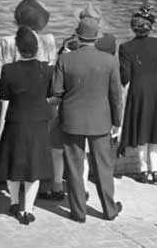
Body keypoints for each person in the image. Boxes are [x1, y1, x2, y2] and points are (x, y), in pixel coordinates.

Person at [51, 15, 124, 222]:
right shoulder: (109, 61)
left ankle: (78, 211)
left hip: (72, 119)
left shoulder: (65, 59)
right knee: (103, 166)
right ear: (96, 37)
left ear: (78, 36)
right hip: (101, 120)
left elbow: (57, 91)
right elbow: (116, 97)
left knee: (74, 167)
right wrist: (117, 122)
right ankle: (109, 210)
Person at [0, 0, 61, 197]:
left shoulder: (7, 41)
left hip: (16, 102)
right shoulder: (49, 39)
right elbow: (53, 70)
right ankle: (49, 185)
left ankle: (14, 188)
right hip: (42, 102)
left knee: (15, 148)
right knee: (41, 148)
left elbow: (2, 73)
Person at [0, 26, 53, 223]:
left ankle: (13, 202)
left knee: (13, 165)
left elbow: (3, 95)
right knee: (33, 168)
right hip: (38, 122)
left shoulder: (8, 70)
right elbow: (50, 94)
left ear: (18, 48)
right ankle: (27, 210)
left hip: (15, 121)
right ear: (37, 48)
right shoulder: (46, 69)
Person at [118, 4, 157, 184]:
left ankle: (143, 170)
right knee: (154, 131)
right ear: (150, 26)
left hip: (139, 90)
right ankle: (155, 170)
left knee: (142, 131)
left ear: (133, 28)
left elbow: (125, 77)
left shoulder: (126, 47)